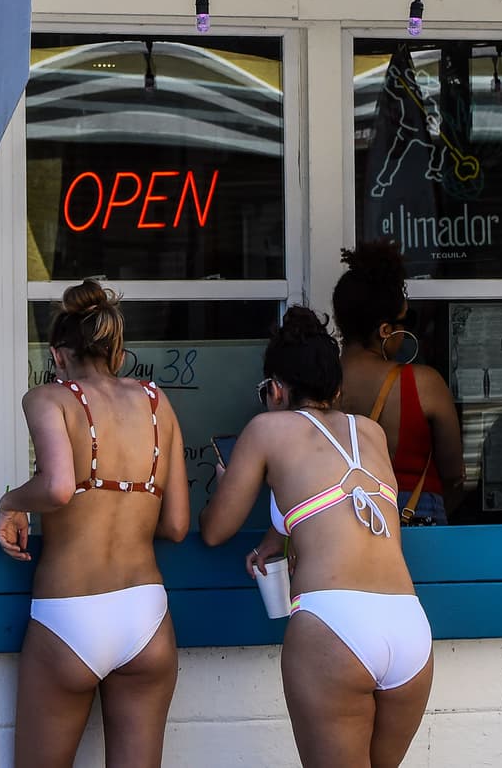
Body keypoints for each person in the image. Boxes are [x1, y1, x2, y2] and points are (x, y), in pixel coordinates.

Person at [199, 306, 434, 768]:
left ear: (277, 389)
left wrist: (226, 483)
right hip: (409, 627)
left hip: (335, 623)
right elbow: (334, 498)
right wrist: (279, 532)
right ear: (337, 388)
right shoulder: (368, 432)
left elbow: (215, 530)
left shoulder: (267, 429)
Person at [0, 280, 190, 768]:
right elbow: (178, 524)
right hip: (145, 611)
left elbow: (58, 488)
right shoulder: (156, 402)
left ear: (58, 356)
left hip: (69, 611)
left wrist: (10, 500)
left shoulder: (50, 398)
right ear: (116, 352)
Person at [332, 241, 464, 524]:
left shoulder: (319, 382)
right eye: (406, 320)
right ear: (385, 330)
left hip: (338, 524)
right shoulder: (424, 384)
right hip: (416, 518)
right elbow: (454, 474)